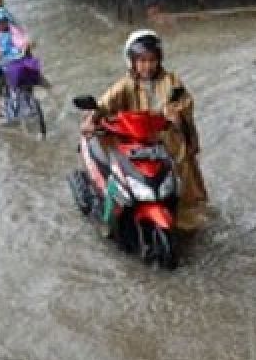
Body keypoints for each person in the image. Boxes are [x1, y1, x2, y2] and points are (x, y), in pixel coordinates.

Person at [85, 29, 208, 230]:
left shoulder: (171, 81)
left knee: (185, 176)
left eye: (152, 60)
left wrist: (175, 113)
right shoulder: (124, 85)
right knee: (120, 173)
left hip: (168, 142)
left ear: (159, 60)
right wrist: (91, 120)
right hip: (136, 142)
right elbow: (103, 105)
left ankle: (186, 218)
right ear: (132, 62)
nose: (147, 66)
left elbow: (185, 102)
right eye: (142, 61)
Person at [0, 7, 37, 116]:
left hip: (12, 58)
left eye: (4, 21)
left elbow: (20, 40)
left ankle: (29, 98)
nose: (2, 25)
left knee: (28, 74)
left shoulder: (12, 29)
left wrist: (24, 46)